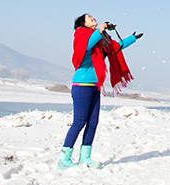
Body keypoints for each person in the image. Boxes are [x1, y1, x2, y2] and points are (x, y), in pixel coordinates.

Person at [57, 13, 143, 170]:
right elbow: (87, 46)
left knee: (93, 123)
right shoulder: (81, 36)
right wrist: (101, 30)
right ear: (83, 24)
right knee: (79, 121)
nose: (93, 18)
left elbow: (115, 47)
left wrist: (132, 38)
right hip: (82, 84)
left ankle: (85, 158)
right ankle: (64, 159)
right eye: (89, 18)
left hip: (95, 86)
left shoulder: (99, 39)